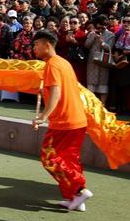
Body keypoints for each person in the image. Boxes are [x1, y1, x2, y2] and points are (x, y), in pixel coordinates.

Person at [31, 31, 92, 211]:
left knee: (48, 157)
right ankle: (74, 198)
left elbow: (56, 93)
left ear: (47, 44)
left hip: (64, 122)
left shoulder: (53, 65)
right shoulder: (63, 63)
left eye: (36, 44)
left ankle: (79, 189)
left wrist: (42, 116)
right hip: (77, 120)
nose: (34, 48)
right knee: (69, 160)